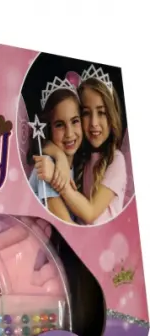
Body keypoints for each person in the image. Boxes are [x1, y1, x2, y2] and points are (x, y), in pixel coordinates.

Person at [34, 67, 126, 225]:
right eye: (86, 113)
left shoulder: (116, 160)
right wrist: (60, 157)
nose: (94, 123)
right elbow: (43, 144)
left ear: (112, 116)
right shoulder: (81, 158)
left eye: (101, 113)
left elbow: (90, 213)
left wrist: (57, 178)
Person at [27, 86, 83, 223]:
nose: (69, 133)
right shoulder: (46, 165)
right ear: (48, 128)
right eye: (59, 125)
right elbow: (66, 225)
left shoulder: (77, 165)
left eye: (75, 121)